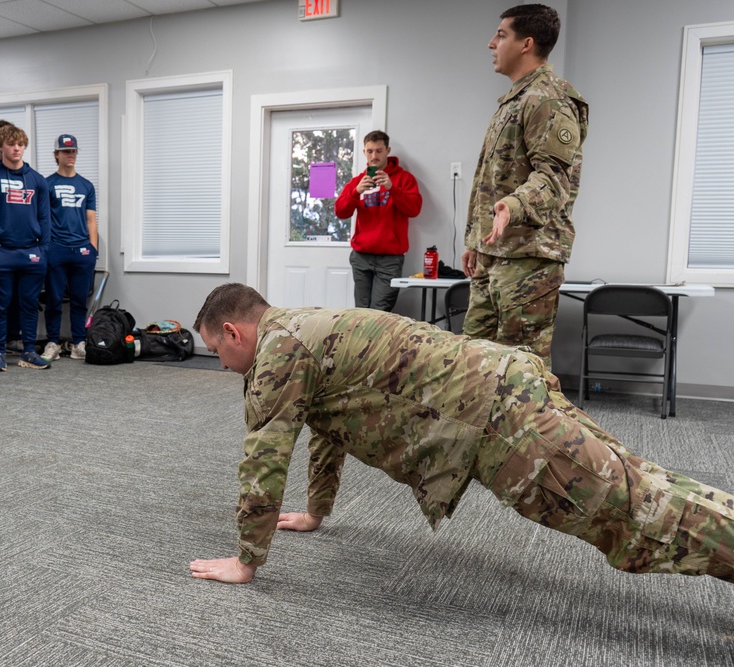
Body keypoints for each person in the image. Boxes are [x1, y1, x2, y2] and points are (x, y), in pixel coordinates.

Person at [187, 283, 733, 585]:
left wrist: (246, 560)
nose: (222, 365)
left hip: (500, 425)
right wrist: (316, 511)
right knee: (643, 486)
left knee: (634, 518)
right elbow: (329, 426)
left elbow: (264, 459)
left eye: (218, 351)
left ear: (234, 331)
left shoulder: (278, 357)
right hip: (505, 384)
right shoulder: (300, 325)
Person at [461, 4, 588, 367]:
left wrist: (513, 207)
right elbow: (493, 179)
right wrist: (475, 241)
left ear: (526, 44)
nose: (491, 43)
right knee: (473, 366)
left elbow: (552, 180)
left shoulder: (547, 99)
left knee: (520, 374)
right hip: (494, 255)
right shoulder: (514, 100)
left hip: (528, 259)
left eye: (501, 35)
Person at [0, 124, 51, 371]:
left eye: (20, 144)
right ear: (1, 147)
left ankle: (28, 351)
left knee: (29, 305)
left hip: (32, 252)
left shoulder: (38, 181)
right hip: (1, 252)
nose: (16, 148)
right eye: (10, 144)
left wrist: (44, 250)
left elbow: (44, 218)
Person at [334, 130, 422, 312]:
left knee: (380, 315)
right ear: (364, 152)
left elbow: (414, 209)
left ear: (388, 150)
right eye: (370, 151)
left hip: (390, 259)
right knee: (360, 312)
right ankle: (359, 342)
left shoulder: (404, 179)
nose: (374, 156)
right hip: (361, 256)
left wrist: (392, 188)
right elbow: (341, 212)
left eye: (379, 151)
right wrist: (355, 192)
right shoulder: (358, 181)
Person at [43, 134, 97, 362]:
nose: (70, 155)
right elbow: (42, 219)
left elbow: (91, 220)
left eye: (74, 151)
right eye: (66, 151)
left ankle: (78, 343)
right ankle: (53, 343)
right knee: (53, 300)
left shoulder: (86, 185)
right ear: (56, 155)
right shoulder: (46, 184)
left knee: (78, 300)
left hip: (82, 251)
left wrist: (93, 249)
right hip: (56, 249)